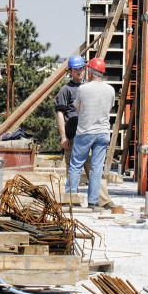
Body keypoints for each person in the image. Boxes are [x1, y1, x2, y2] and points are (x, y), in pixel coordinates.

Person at [55, 55, 116, 209]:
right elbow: (60, 114)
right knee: (91, 167)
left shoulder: (84, 88)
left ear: (88, 70)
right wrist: (63, 136)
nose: (80, 71)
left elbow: (79, 108)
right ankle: (90, 201)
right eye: (76, 69)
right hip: (80, 134)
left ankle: (96, 200)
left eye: (82, 68)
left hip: (85, 133)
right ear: (70, 71)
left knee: (86, 168)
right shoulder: (66, 90)